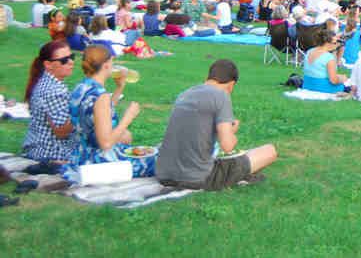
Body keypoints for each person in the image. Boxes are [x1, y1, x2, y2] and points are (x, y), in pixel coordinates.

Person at [156, 59, 278, 190]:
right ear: (231, 84)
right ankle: (239, 177)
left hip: (163, 174)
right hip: (197, 177)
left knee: (242, 155)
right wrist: (232, 130)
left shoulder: (185, 94)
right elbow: (227, 146)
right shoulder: (221, 95)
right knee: (270, 151)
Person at [65, 45, 155, 179]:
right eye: (112, 62)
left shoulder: (81, 87)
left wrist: (119, 88)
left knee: (145, 152)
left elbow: (100, 114)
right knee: (158, 160)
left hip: (77, 157)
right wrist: (128, 117)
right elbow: (105, 144)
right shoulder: (101, 96)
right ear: (106, 65)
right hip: (98, 163)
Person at [22, 40, 76, 163]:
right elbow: (61, 132)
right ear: (48, 64)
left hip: (39, 148)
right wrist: (81, 109)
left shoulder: (48, 83)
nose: (71, 62)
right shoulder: (54, 91)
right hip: (53, 153)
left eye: (71, 57)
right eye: (64, 60)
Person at [302, 26, 350, 94]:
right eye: (336, 42)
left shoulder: (309, 51)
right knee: (349, 87)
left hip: (307, 85)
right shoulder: (328, 57)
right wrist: (342, 78)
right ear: (329, 43)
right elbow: (333, 80)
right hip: (322, 87)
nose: (337, 45)